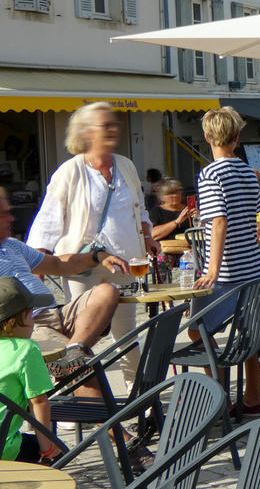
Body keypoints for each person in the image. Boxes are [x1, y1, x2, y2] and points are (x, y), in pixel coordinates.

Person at [0, 193, 154, 470]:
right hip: (22, 328)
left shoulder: (11, 246)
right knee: (79, 368)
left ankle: (74, 351)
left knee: (108, 291)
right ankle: (125, 443)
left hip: (52, 313)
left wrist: (97, 256)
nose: (11, 218)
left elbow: (59, 264)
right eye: (3, 214)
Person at [26, 101, 157, 388]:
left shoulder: (126, 165)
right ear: (86, 132)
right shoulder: (69, 172)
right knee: (83, 339)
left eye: (114, 123)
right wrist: (37, 269)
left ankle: (138, 399)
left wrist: (147, 235)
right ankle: (81, 405)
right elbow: (48, 222)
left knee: (126, 336)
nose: (113, 129)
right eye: (105, 125)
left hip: (125, 263)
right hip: (83, 268)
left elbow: (139, 208)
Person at [192, 107, 260, 414]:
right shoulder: (250, 173)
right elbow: (252, 215)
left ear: (208, 137)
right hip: (252, 264)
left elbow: (219, 222)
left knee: (198, 330)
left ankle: (218, 395)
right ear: (237, 138)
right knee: (248, 334)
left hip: (227, 270)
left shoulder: (210, 174)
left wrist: (211, 269)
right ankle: (252, 398)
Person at [0, 277, 59, 464]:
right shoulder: (26, 349)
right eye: (30, 314)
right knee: (58, 454)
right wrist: (48, 448)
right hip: (4, 448)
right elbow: (39, 402)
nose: (33, 321)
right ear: (11, 322)